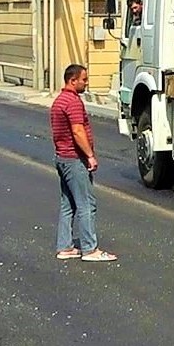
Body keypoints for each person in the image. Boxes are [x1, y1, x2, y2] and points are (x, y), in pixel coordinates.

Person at [51, 64, 116, 262]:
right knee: (87, 204)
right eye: (84, 80)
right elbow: (78, 131)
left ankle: (65, 247)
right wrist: (90, 155)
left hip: (62, 158)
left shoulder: (59, 101)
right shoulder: (72, 102)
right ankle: (90, 249)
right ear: (73, 80)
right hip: (74, 159)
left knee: (68, 204)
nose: (86, 83)